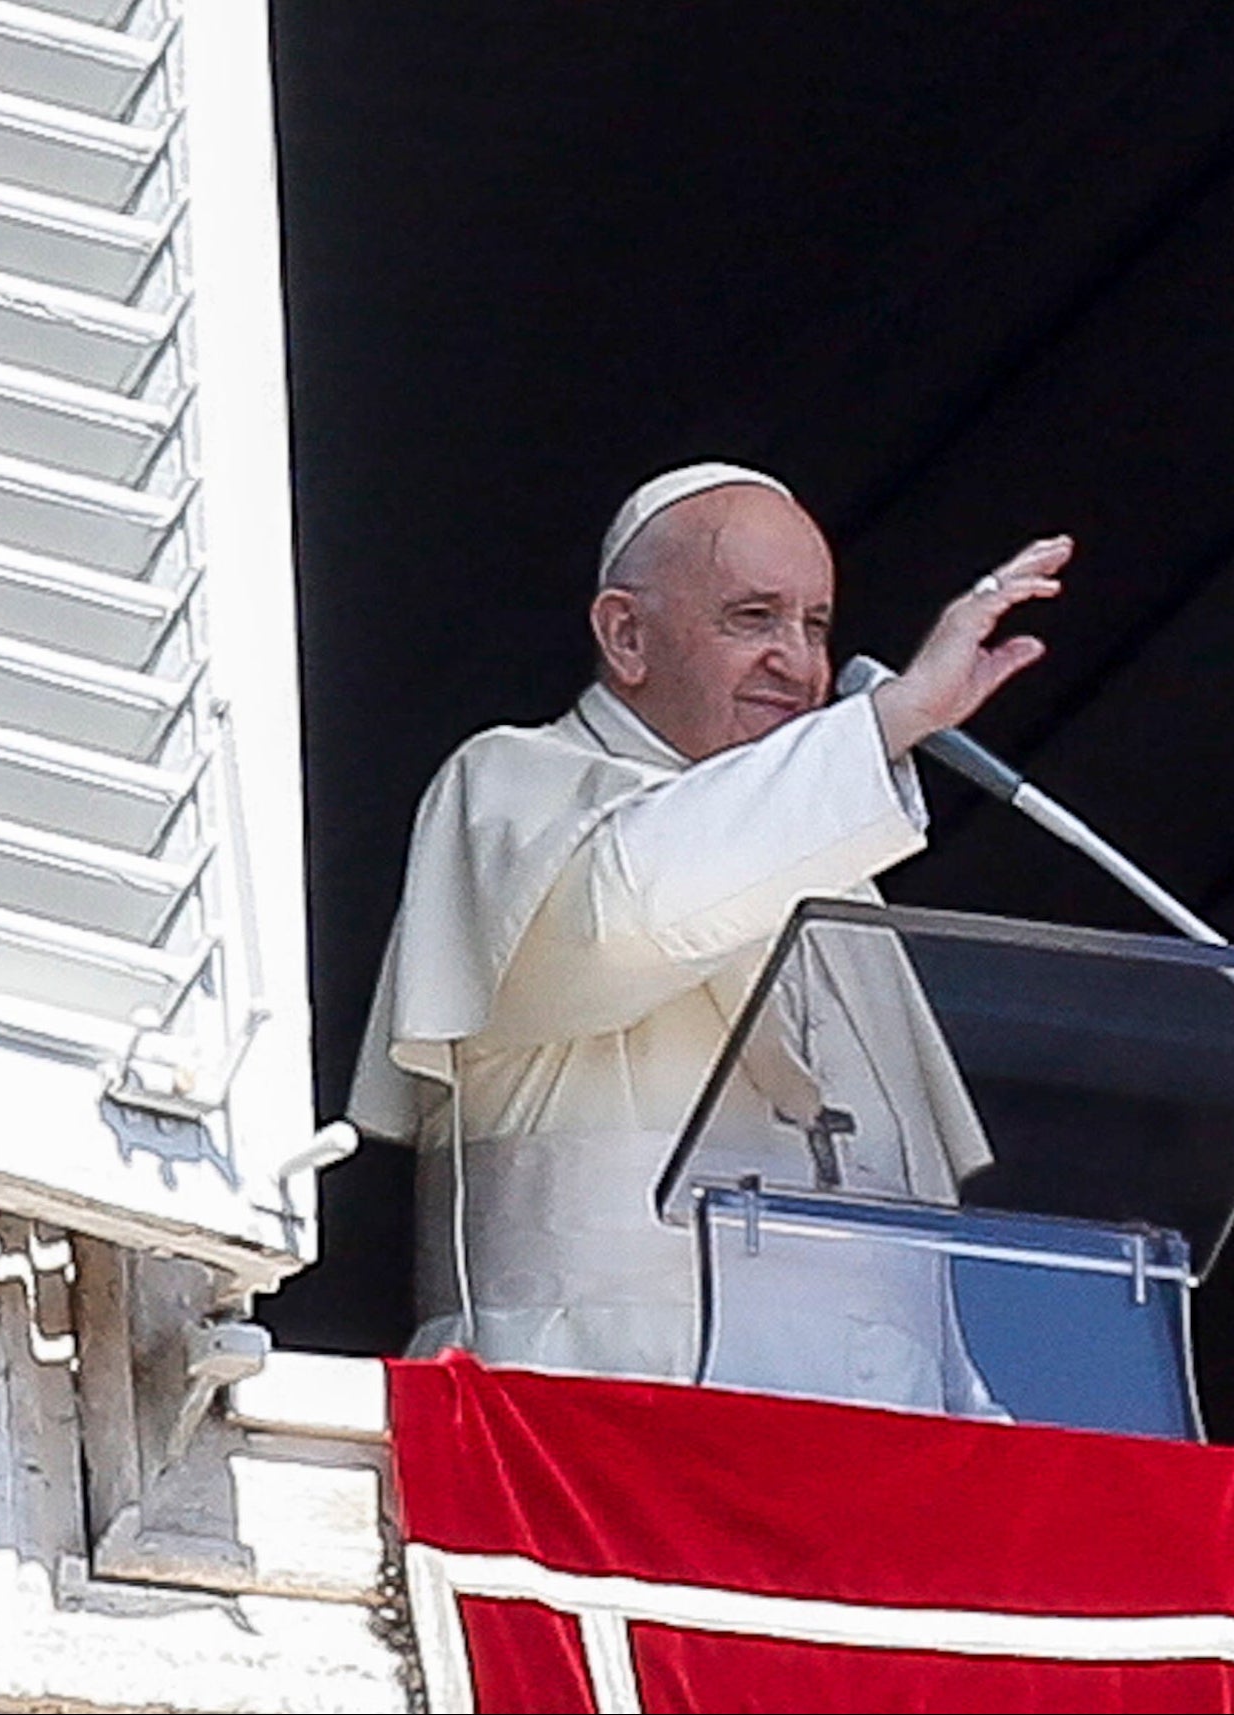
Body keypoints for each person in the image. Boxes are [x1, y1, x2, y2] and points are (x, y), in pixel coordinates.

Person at [348, 461, 1070, 1402]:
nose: (802, 663)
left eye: (815, 625)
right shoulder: (511, 786)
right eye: (753, 617)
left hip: (862, 1464)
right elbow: (629, 912)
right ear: (626, 633)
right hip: (593, 1428)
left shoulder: (839, 861)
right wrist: (886, 724)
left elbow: (909, 1249)